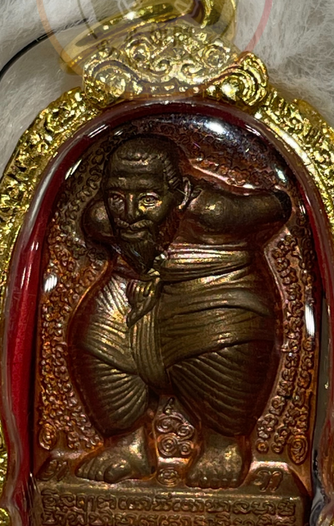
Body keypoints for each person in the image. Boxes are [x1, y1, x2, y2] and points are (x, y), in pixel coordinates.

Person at [68, 134, 290, 488]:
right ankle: (127, 445)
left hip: (213, 291)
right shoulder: (101, 219)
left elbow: (278, 205)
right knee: (96, 340)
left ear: (181, 193)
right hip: (131, 289)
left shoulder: (215, 212)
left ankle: (223, 443)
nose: (129, 214)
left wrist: (273, 198)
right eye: (117, 198)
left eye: (148, 199)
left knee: (225, 341)